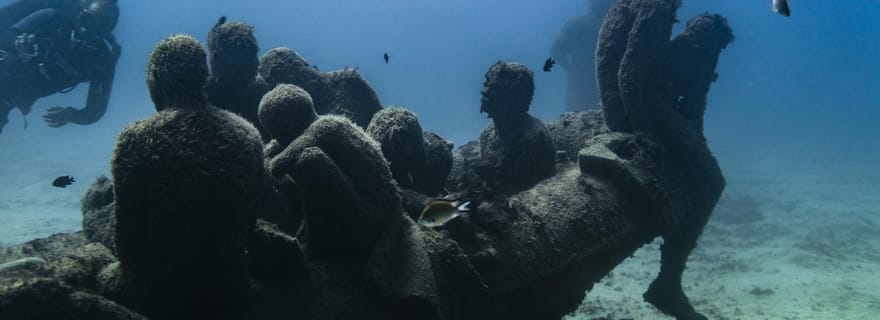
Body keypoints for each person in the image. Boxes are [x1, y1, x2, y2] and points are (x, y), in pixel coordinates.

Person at [0, 0, 120, 135]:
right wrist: (20, 45)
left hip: (8, 101)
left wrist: (71, 115)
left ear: (107, 32)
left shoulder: (100, 60)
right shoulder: (54, 18)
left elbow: (96, 110)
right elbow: (6, 37)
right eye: (88, 19)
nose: (87, 30)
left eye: (100, 26)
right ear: (80, 13)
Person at [551, 0, 613, 113]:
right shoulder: (614, 27)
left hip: (580, 85)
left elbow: (556, 50)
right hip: (606, 83)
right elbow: (556, 50)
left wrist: (571, 70)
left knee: (576, 116)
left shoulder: (574, 24)